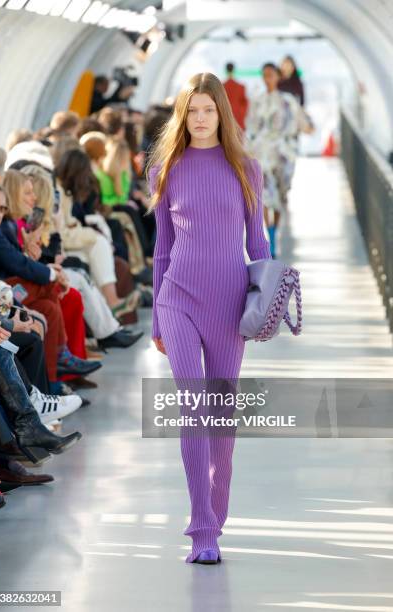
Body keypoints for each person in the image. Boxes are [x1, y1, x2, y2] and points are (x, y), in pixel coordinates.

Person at [147, 72, 271, 564]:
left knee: (220, 420)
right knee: (192, 408)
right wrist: (157, 317)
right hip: (177, 298)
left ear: (222, 113)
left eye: (208, 110)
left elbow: (257, 242)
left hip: (228, 301)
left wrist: (264, 305)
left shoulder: (246, 168)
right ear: (182, 115)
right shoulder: (165, 169)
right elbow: (162, 249)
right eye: (191, 111)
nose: (199, 119)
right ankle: (201, 528)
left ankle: (216, 512)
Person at [247, 62, 313, 258]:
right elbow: (251, 127)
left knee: (280, 196)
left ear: (278, 76)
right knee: (266, 194)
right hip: (262, 153)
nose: (268, 79)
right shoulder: (258, 101)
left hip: (283, 155)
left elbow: (301, 122)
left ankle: (274, 232)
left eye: (271, 75)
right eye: (265, 75)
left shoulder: (287, 100)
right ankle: (271, 239)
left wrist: (305, 128)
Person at [223, 62, 249, 131]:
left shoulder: (221, 87)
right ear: (234, 70)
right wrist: (241, 115)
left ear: (226, 70)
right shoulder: (241, 87)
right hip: (238, 121)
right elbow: (245, 104)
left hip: (225, 121)